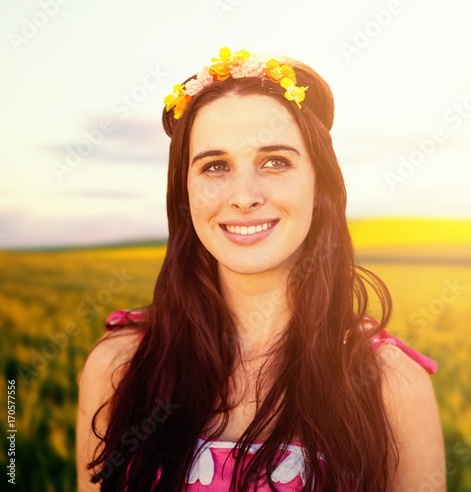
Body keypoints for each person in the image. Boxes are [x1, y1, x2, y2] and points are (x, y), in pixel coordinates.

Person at [75, 47, 445, 491]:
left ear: (318, 185)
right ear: (184, 193)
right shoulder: (119, 366)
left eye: (275, 161)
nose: (244, 195)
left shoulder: (391, 385)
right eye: (215, 166)